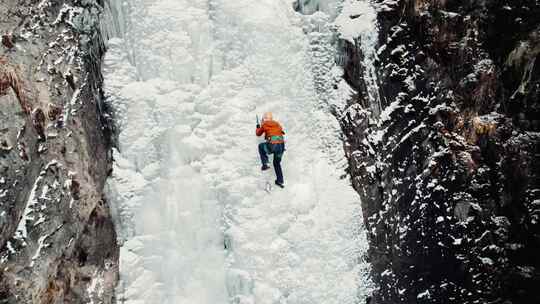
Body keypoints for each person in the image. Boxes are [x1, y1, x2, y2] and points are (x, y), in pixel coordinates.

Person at [256, 112, 285, 188]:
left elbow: (258, 134)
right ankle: (280, 180)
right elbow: (280, 132)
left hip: (273, 145)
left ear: (265, 119)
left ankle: (265, 163)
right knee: (276, 163)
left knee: (260, 146)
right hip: (281, 146)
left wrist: (258, 127)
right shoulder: (277, 124)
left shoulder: (265, 124)